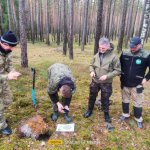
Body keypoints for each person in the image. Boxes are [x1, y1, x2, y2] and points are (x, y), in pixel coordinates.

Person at [83, 37, 121, 131]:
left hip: (106, 83)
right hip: (95, 81)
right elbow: (91, 65)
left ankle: (106, 114)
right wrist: (91, 71)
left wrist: (107, 76)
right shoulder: (96, 55)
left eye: (103, 48)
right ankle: (89, 110)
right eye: (100, 48)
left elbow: (118, 70)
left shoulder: (114, 57)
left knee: (105, 99)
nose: (101, 50)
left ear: (108, 46)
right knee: (92, 96)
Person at [119, 36, 150, 129]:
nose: (132, 48)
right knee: (125, 99)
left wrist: (146, 79)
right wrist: (119, 73)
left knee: (138, 102)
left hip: (137, 84)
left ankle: (138, 119)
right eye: (131, 46)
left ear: (140, 45)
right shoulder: (125, 53)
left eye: (134, 47)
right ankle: (125, 114)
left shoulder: (146, 55)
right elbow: (118, 65)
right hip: (124, 83)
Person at [0, 31, 21, 135]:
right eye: (12, 47)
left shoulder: (6, 51)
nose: (13, 49)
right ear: (5, 44)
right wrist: (7, 76)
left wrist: (12, 71)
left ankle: (1, 117)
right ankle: (2, 126)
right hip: (3, 78)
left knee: (7, 101)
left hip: (2, 82)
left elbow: (9, 64)